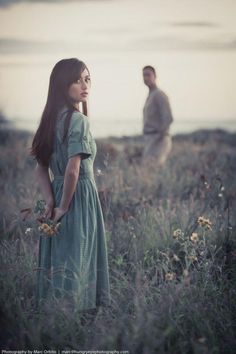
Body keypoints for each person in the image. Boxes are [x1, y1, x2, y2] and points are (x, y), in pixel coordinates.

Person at [30, 58, 111, 313]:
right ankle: (78, 316)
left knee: (59, 258)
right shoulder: (78, 120)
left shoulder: (49, 120)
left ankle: (54, 314)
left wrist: (51, 201)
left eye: (87, 79)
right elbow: (74, 170)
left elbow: (41, 168)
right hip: (78, 196)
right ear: (62, 85)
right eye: (77, 80)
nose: (84, 85)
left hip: (57, 193)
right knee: (79, 256)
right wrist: (63, 207)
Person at [142, 65, 174, 166]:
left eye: (148, 74)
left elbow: (168, 118)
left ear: (155, 76)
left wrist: (159, 137)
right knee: (148, 171)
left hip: (159, 140)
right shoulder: (151, 95)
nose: (145, 77)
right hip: (151, 139)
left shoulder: (159, 94)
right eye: (143, 75)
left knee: (150, 170)